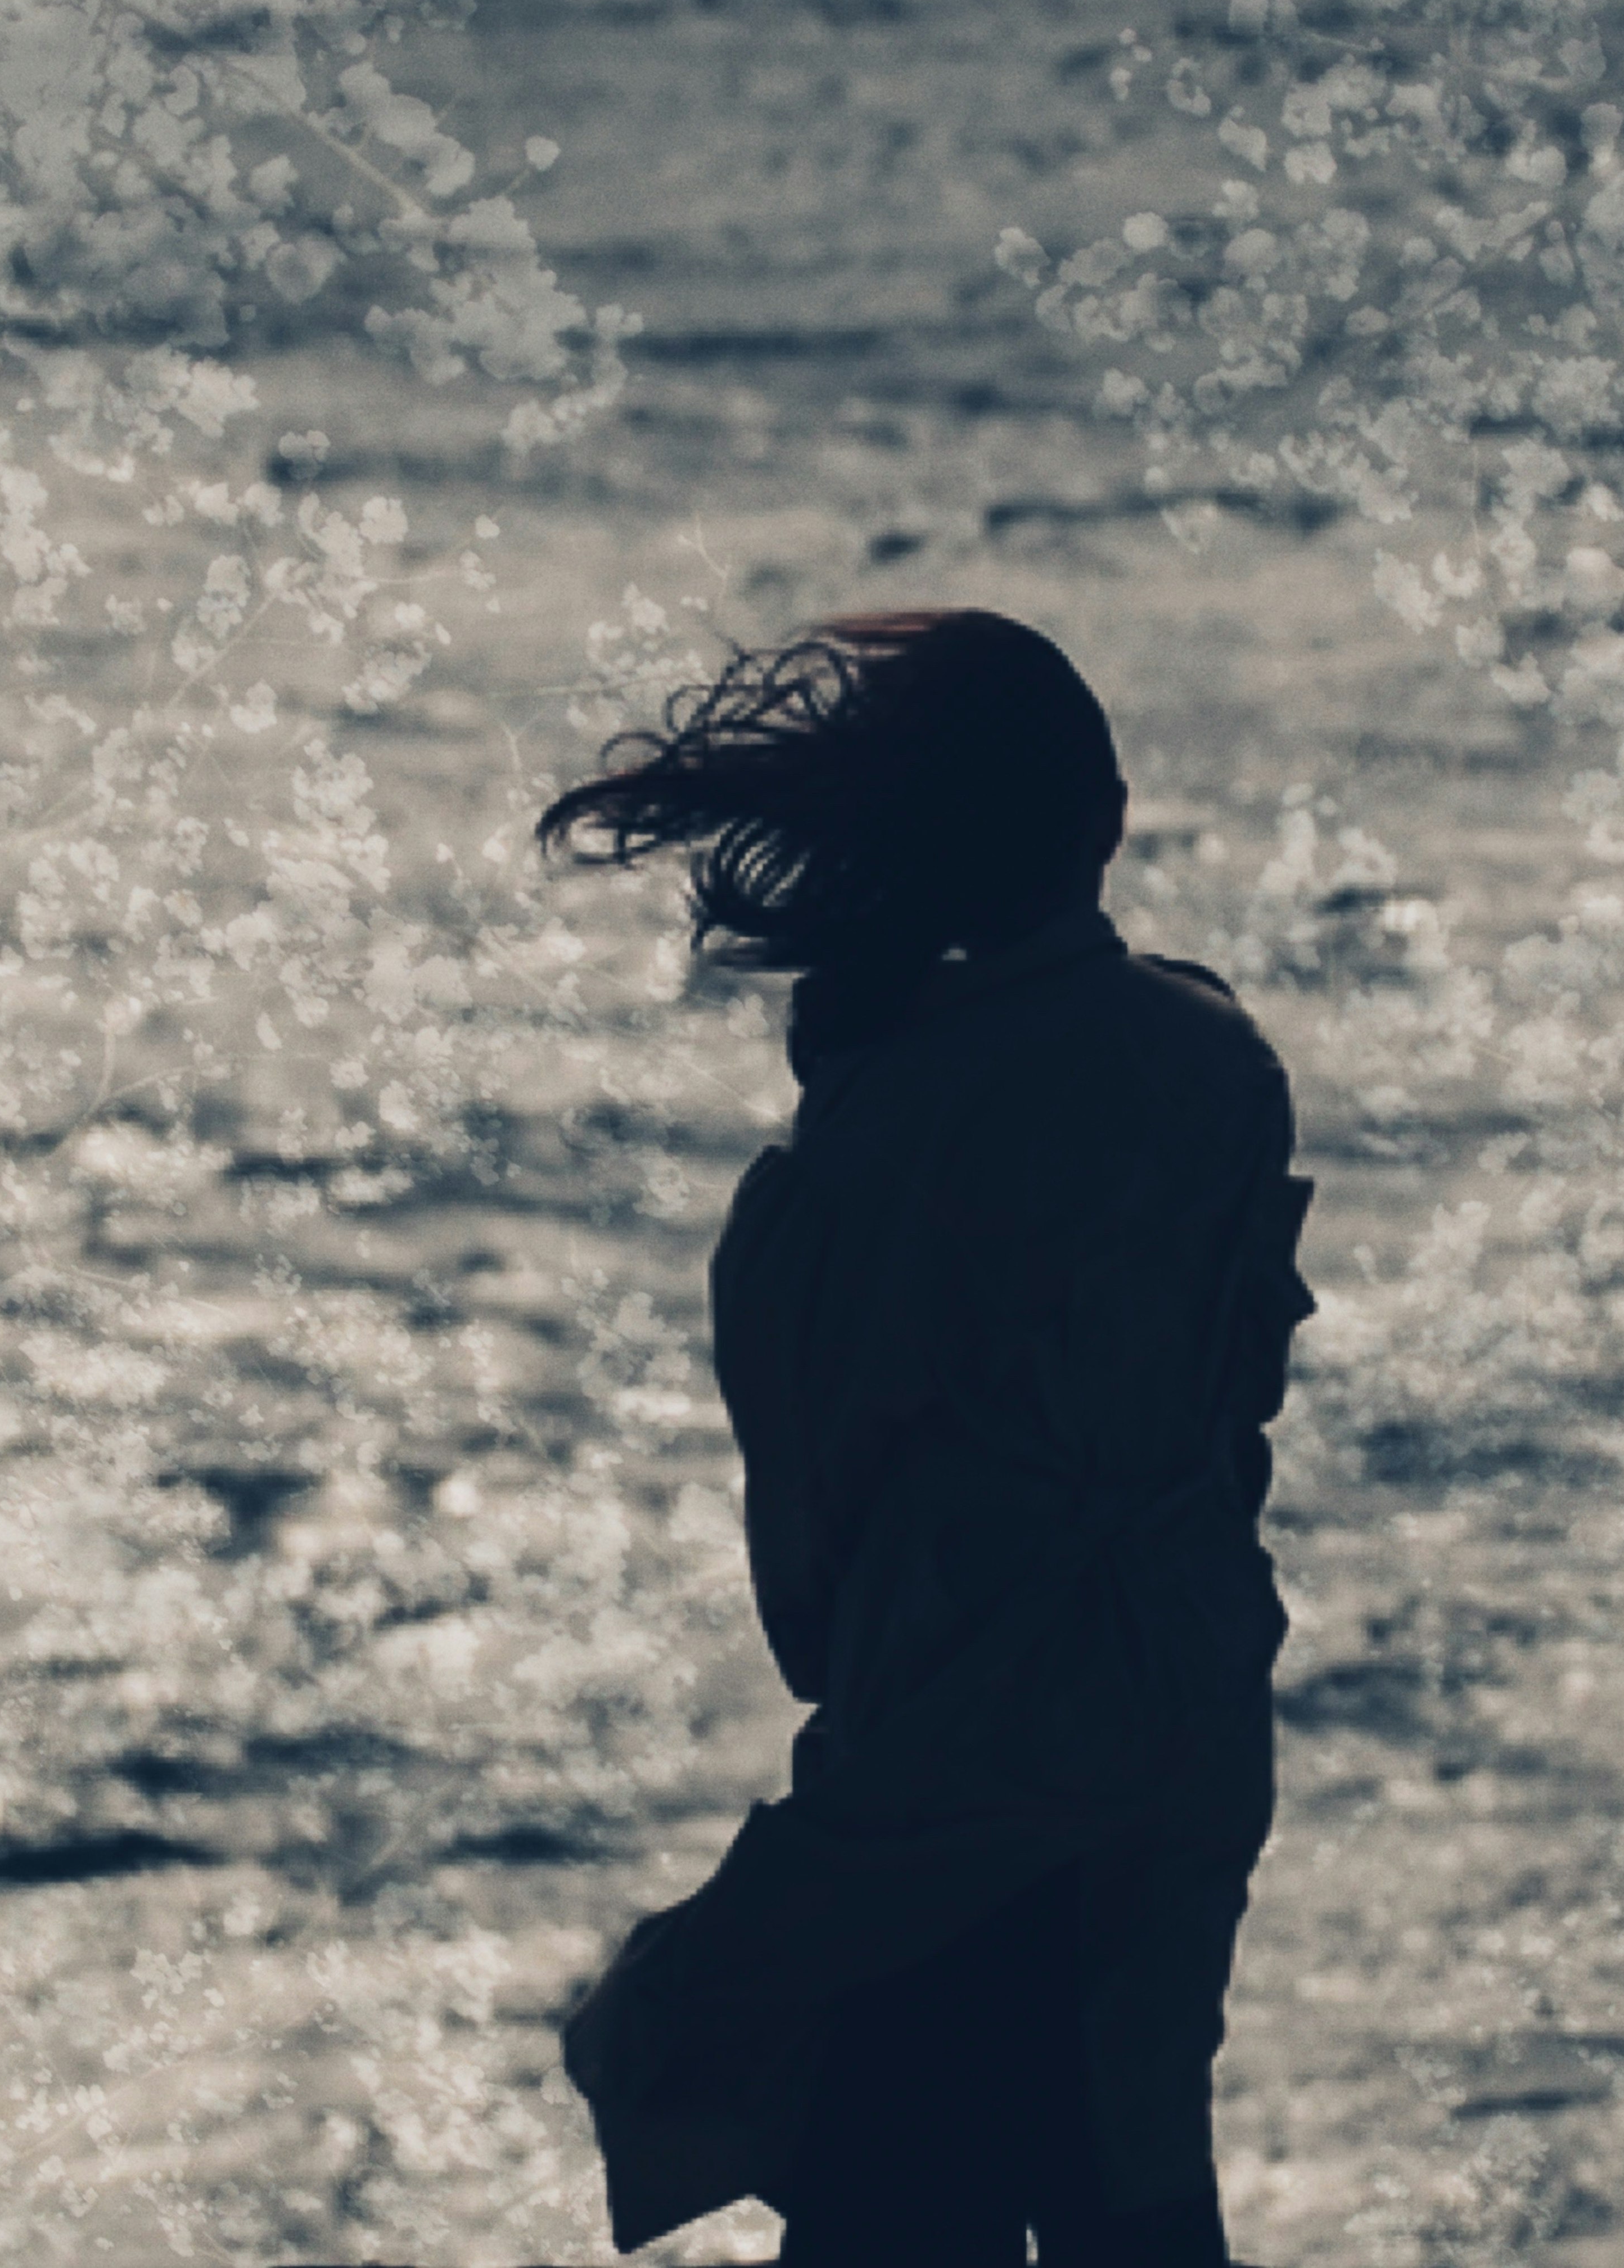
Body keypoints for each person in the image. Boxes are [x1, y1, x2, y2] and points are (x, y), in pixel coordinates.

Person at [542, 607, 1315, 2266]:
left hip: (957, 1757)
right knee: (1135, 2182)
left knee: (898, 2204)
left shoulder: (851, 1167)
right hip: (1183, 1721)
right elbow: (1240, 1397)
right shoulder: (1219, 1064)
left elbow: (809, 1596)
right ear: (1107, 823)